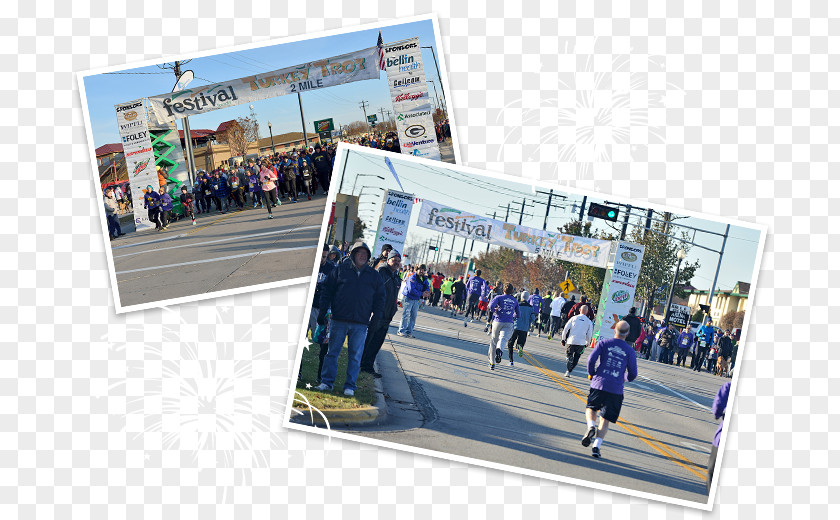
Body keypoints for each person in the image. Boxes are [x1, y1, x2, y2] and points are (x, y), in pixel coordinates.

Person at [315, 242, 385, 396]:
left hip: (360, 323)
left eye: (365, 254)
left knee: (355, 356)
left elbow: (380, 298)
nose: (362, 256)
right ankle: (327, 382)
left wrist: (376, 318)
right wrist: (323, 310)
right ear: (353, 254)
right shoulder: (340, 270)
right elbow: (327, 289)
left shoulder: (374, 276)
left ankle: (350, 386)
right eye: (359, 253)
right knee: (332, 353)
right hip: (339, 320)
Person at [581, 320, 638, 458]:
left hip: (598, 383)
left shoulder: (604, 343)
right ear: (628, 334)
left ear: (614, 330)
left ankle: (590, 426)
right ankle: (596, 447)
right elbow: (633, 373)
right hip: (616, 388)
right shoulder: (630, 350)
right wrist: (626, 378)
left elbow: (591, 360)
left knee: (591, 408)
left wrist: (592, 373)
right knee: (605, 419)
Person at [360, 250, 403, 378]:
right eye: (394, 260)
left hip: (387, 316)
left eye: (398, 261)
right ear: (388, 260)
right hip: (377, 314)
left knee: (377, 343)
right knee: (369, 341)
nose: (396, 263)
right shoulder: (381, 273)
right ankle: (360, 364)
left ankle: (368, 366)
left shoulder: (396, 277)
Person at [311, 245, 337, 385]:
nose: (322, 259)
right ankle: (298, 373)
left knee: (324, 345)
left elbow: (332, 290)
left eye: (324, 257)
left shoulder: (331, 269)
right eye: (320, 256)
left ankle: (321, 376)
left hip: (322, 309)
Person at [485, 283, 520, 371]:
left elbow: (490, 306)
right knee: (503, 339)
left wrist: (494, 311)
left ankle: (492, 363)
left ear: (503, 290)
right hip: (509, 322)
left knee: (493, 341)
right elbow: (518, 314)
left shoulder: (499, 297)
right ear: (512, 291)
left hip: (498, 321)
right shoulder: (514, 300)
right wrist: (513, 315)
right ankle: (500, 350)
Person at [707, 381, 730, 492]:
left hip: (722, 439)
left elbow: (717, 409)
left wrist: (719, 413)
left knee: (712, 473)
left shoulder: (729, 386)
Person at [397, 264, 430, 338]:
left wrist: (426, 292)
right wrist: (422, 293)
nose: (421, 271)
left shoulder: (424, 279)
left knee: (413, 316)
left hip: (416, 299)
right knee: (406, 315)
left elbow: (427, 287)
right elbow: (411, 290)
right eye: (420, 269)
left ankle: (409, 332)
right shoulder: (412, 278)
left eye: (423, 270)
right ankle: (401, 331)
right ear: (416, 270)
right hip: (408, 298)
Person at [561, 304, 594, 377]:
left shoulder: (574, 318)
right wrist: (588, 343)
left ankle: (569, 357)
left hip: (571, 341)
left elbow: (566, 329)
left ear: (579, 310)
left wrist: (563, 339)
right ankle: (569, 371)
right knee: (577, 358)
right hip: (581, 342)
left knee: (569, 353)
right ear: (587, 312)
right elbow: (589, 334)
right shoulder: (589, 322)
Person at [506, 290, 534, 365]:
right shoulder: (531, 308)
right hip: (525, 328)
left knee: (510, 343)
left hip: (516, 326)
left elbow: (513, 315)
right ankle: (519, 347)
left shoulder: (517, 305)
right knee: (521, 342)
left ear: (521, 297)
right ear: (528, 298)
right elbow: (533, 318)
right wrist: (531, 324)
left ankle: (511, 361)